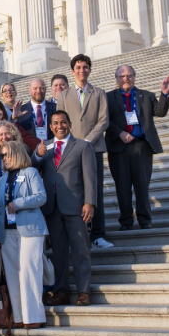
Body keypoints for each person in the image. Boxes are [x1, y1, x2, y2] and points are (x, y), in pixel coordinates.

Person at [33, 111, 96, 307]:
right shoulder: (45, 148)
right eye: (55, 123)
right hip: (52, 208)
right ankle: (61, 290)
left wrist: (90, 202)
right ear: (50, 127)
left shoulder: (83, 146)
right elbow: (32, 168)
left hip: (76, 206)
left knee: (80, 250)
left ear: (69, 124)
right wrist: (36, 155)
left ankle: (84, 291)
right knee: (58, 252)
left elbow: (90, 177)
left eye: (63, 122)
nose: (59, 126)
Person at [106, 66, 169, 230]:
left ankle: (145, 220)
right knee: (122, 187)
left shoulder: (147, 96)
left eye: (129, 75)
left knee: (142, 185)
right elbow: (104, 120)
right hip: (119, 148)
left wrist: (164, 94)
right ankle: (126, 221)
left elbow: (160, 112)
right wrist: (119, 133)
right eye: (122, 76)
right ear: (116, 79)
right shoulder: (108, 97)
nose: (126, 79)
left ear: (134, 77)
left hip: (141, 146)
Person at [56, 54, 113, 249]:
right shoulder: (63, 96)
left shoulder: (99, 93)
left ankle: (98, 234)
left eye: (85, 67)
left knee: (94, 190)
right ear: (72, 71)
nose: (82, 70)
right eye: (78, 67)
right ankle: (80, 233)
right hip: (70, 150)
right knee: (74, 190)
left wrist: (87, 141)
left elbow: (103, 120)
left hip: (93, 147)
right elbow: (59, 122)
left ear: (89, 69)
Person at [0, 141, 48, 329]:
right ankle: (18, 317)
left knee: (28, 271)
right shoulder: (1, 180)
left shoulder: (30, 172)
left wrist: (18, 204)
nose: (4, 158)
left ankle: (34, 317)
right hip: (7, 232)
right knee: (12, 275)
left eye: (7, 154)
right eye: (2, 156)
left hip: (30, 229)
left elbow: (41, 197)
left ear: (17, 153)